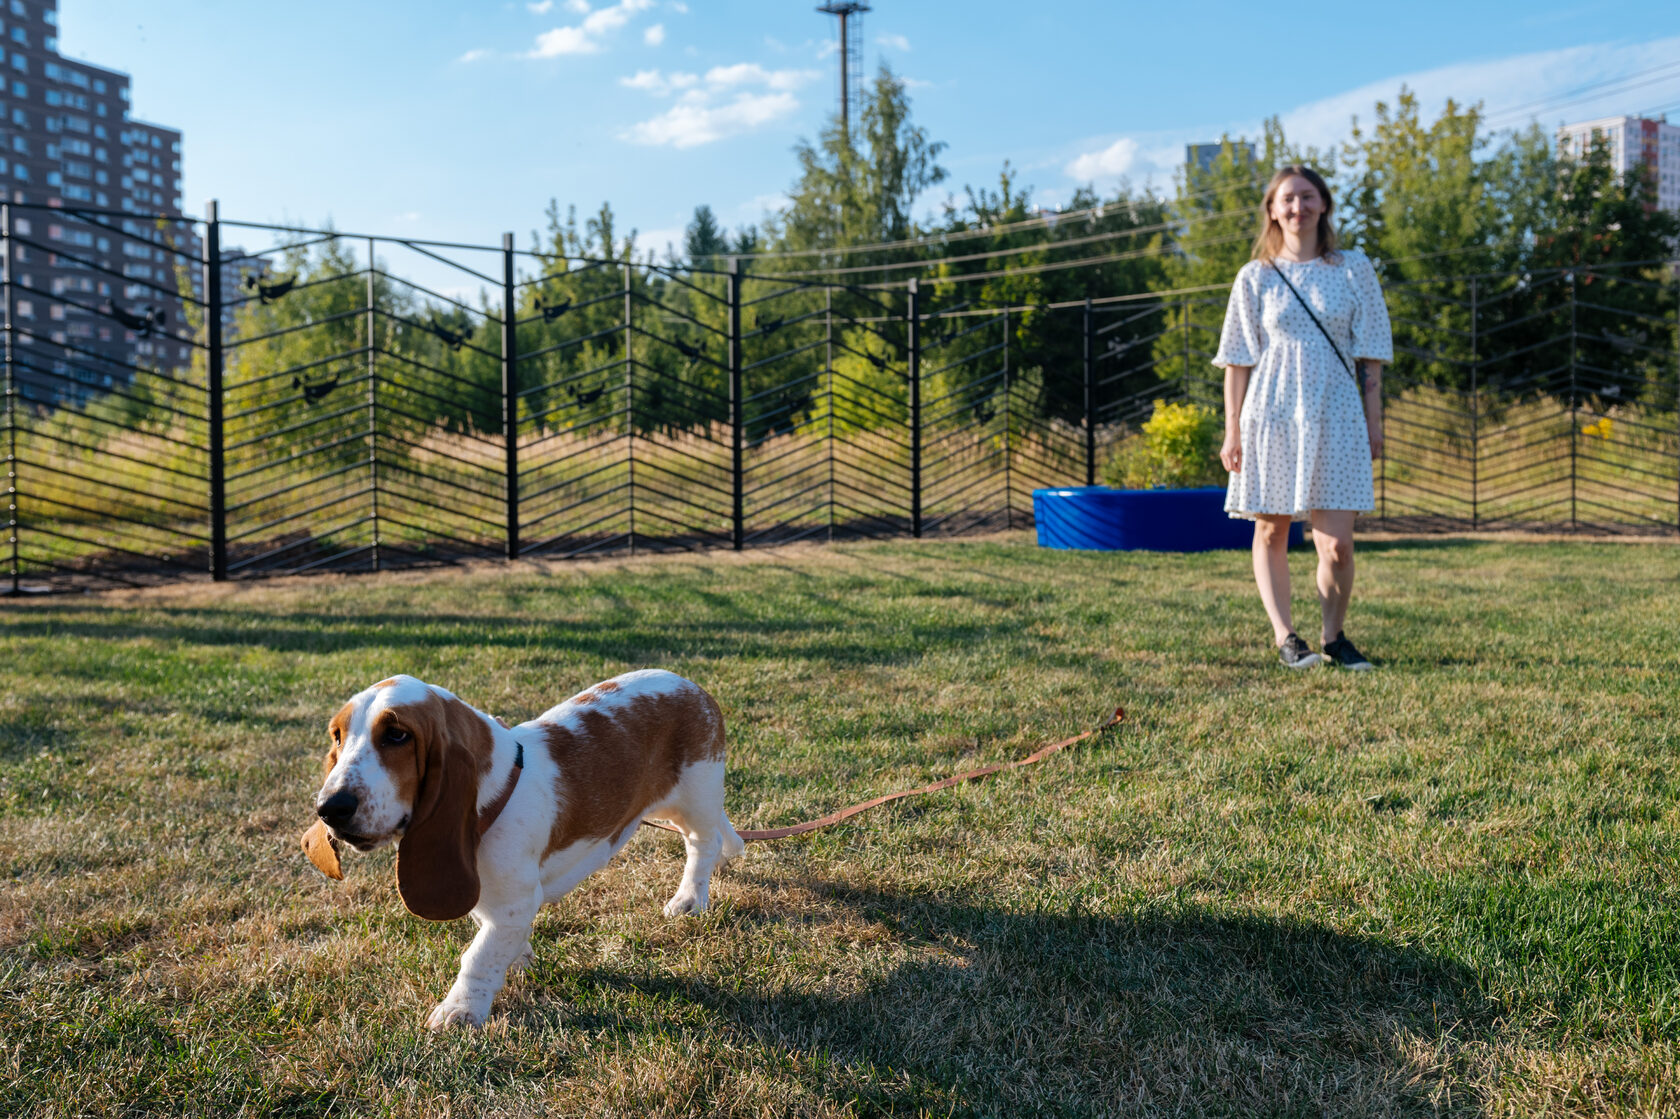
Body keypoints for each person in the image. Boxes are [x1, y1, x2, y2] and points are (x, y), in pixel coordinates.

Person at [1214, 165, 1392, 670]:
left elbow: (1372, 355)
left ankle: (1334, 637)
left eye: (1307, 197)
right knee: (1271, 530)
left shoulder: (1354, 268)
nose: (1298, 207)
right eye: (1287, 199)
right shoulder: (1255, 277)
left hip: (1335, 412)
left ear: (1324, 205)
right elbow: (1237, 358)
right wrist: (1232, 431)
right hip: (1269, 412)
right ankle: (1286, 637)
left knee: (1336, 546)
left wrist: (1374, 422)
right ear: (1272, 210)